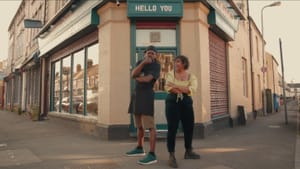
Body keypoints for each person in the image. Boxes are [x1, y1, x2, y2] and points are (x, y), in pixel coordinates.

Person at [126, 45, 161, 165]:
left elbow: (147, 79)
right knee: (139, 125)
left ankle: (152, 154)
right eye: (148, 53)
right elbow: (133, 74)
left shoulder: (156, 65)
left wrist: (138, 78)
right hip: (137, 96)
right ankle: (140, 148)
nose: (150, 55)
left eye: (153, 53)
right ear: (145, 54)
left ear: (156, 55)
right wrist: (142, 65)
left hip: (146, 96)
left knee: (150, 126)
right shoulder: (140, 62)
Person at [164, 55, 200, 168]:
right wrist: (183, 88)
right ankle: (171, 155)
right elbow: (168, 87)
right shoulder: (170, 74)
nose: (175, 63)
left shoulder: (191, 76)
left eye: (178, 61)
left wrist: (175, 85)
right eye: (175, 62)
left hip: (186, 103)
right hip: (172, 103)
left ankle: (188, 151)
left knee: (189, 127)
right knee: (172, 128)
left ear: (184, 63)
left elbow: (192, 89)